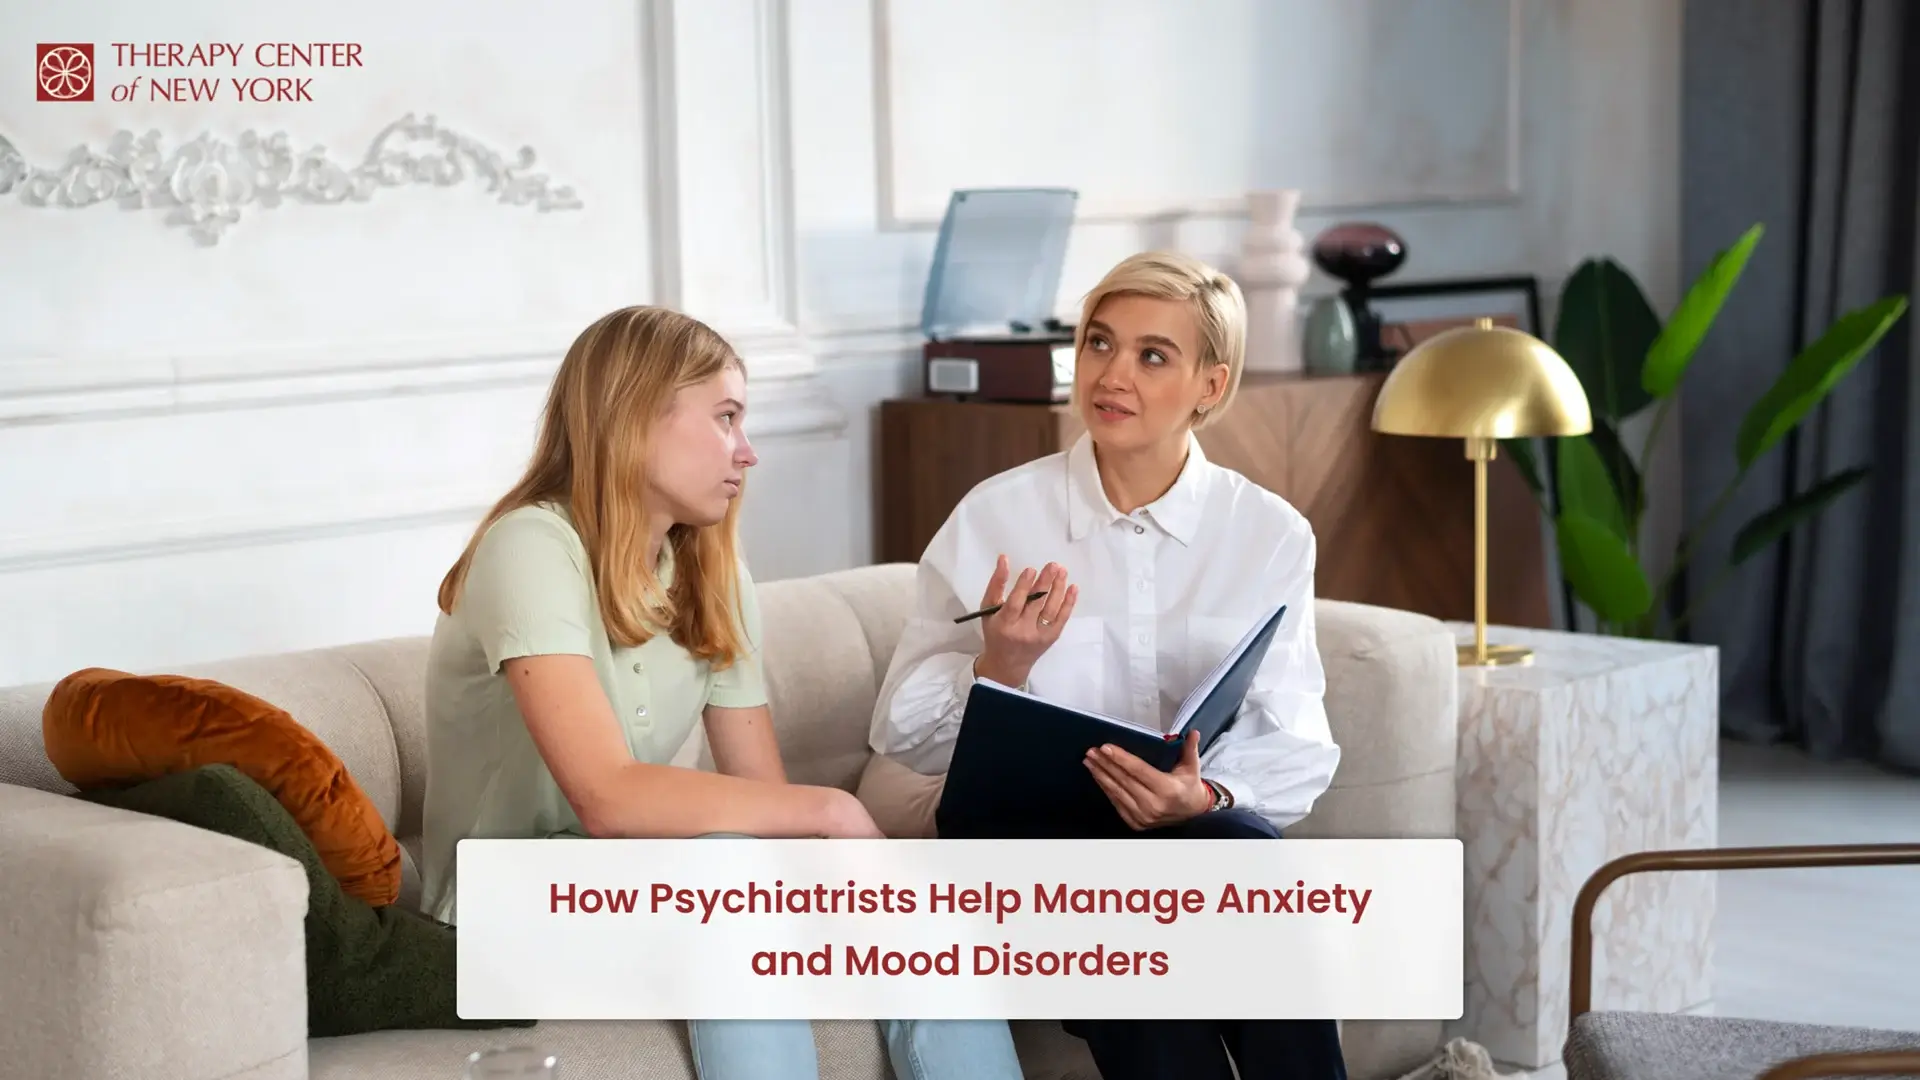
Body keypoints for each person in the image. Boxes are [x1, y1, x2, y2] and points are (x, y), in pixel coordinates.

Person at [418, 305, 1024, 1080]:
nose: (749, 451)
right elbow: (608, 798)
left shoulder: (712, 573)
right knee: (728, 875)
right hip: (494, 912)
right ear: (633, 419)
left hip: (644, 887)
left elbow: (758, 796)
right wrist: (836, 813)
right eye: (726, 418)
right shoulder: (531, 548)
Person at [868, 251, 1348, 1080]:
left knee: (1243, 866)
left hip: (1184, 830)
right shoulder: (995, 516)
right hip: (1022, 840)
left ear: (1210, 384)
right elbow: (900, 733)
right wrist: (999, 666)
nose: (1112, 374)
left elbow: (1297, 735)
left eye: (1152, 354)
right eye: (1098, 343)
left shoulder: (1267, 534)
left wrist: (1202, 793)